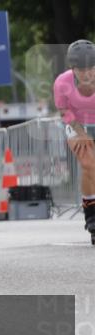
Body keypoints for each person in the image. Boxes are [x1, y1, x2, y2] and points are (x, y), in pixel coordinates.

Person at [54, 39, 95, 244]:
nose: (86, 74)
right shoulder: (62, 82)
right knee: (89, 164)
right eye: (81, 70)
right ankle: (91, 213)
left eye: (91, 69)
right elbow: (64, 111)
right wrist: (80, 132)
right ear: (72, 68)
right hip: (76, 122)